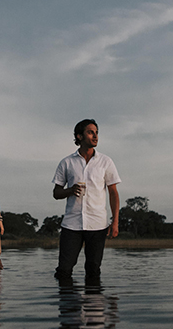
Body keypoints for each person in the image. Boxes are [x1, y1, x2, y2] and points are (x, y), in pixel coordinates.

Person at [52, 119, 121, 281]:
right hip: (71, 224)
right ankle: (68, 306)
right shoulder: (67, 162)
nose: (95, 136)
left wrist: (115, 221)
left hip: (97, 224)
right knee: (64, 270)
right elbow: (56, 193)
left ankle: (94, 306)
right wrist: (70, 190)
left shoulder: (106, 162)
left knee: (93, 270)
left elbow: (113, 193)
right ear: (79, 136)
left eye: (96, 132)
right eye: (90, 132)